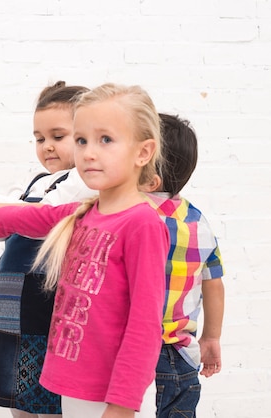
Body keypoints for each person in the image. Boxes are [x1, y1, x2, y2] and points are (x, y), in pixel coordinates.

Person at [0, 83, 170, 418]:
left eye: (106, 140)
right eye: (82, 140)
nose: (88, 152)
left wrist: (122, 405)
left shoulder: (141, 224)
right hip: (68, 383)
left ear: (143, 152)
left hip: (104, 392)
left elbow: (145, 324)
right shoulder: (85, 211)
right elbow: (29, 217)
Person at [0, 82, 95, 417]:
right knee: (18, 402)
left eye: (59, 136)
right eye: (40, 138)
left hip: (47, 306)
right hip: (15, 310)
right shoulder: (35, 181)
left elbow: (40, 217)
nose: (47, 146)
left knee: (49, 402)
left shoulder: (82, 182)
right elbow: (7, 212)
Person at [141, 113, 225, 418]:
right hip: (179, 351)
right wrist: (211, 337)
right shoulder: (198, 221)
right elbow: (213, 282)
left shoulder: (127, 215)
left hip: (129, 346)